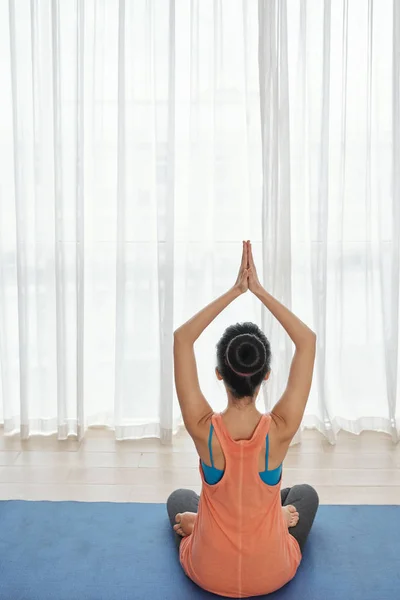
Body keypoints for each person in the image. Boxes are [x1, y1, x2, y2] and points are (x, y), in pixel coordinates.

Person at [167, 240, 318, 598]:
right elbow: (307, 341)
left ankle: (203, 524)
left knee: (179, 499)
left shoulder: (204, 429)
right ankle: (274, 520)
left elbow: (182, 339)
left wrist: (235, 291)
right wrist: (259, 291)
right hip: (272, 573)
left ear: (220, 373)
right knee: (304, 495)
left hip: (208, 573)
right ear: (266, 374)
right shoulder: (279, 430)